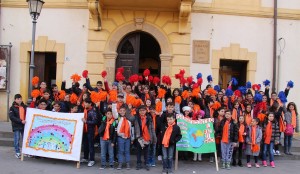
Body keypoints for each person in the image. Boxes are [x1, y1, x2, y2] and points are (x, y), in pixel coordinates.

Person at [134, 105, 157, 171]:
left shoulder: (149, 118)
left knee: (146, 152)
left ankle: (146, 163)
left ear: (146, 111)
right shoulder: (136, 118)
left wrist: (154, 138)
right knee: (138, 152)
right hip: (139, 137)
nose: (142, 112)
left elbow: (152, 128)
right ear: (138, 111)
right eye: (140, 110)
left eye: (143, 110)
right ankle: (138, 163)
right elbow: (129, 117)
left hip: (147, 137)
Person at [116, 104, 135, 170]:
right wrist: (113, 104)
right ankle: (120, 163)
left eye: (124, 110)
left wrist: (132, 138)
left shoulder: (129, 118)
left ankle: (127, 163)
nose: (122, 112)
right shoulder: (118, 118)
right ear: (119, 111)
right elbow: (113, 111)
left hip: (128, 138)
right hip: (120, 137)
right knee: (121, 151)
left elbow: (131, 128)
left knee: (127, 151)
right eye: (121, 110)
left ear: (126, 111)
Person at [80, 98, 98, 167]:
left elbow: (95, 122)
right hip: (84, 130)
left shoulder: (92, 111)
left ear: (90, 104)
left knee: (91, 145)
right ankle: (85, 158)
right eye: (85, 103)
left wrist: (86, 122)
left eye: (87, 103)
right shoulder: (84, 110)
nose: (85, 104)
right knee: (85, 145)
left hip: (90, 131)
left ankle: (92, 160)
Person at [9, 94, 27, 159]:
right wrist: (20, 121)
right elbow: (12, 117)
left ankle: (25, 152)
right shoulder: (12, 108)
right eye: (18, 99)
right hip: (16, 125)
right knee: (17, 139)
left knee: (24, 139)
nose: (19, 100)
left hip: (24, 125)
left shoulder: (24, 106)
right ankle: (17, 152)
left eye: (20, 99)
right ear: (15, 100)